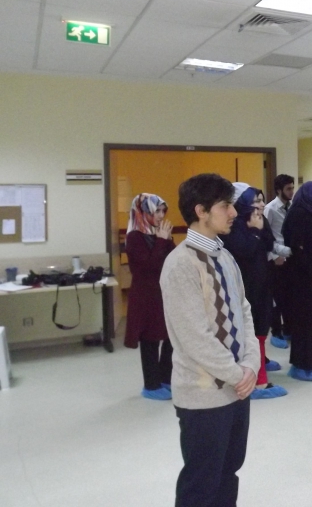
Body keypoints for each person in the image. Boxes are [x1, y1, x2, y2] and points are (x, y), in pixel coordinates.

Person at [160, 173, 260, 507]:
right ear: (201, 211)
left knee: (228, 472)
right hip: (203, 397)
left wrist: (251, 365)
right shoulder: (180, 264)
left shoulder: (224, 257)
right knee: (201, 483)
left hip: (237, 390)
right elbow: (195, 338)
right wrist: (239, 375)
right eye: (225, 205)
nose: (234, 212)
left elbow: (244, 311)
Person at [219, 184, 288, 399]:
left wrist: (260, 227)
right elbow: (245, 250)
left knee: (261, 327)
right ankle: (256, 382)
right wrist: (255, 231)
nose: (261, 204)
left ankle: (260, 367)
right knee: (249, 330)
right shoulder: (233, 226)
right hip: (245, 286)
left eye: (261, 200)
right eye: (256, 201)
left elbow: (269, 244)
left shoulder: (260, 220)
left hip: (262, 281)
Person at [124, 193, 175, 400]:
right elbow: (148, 266)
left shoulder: (160, 234)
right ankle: (151, 386)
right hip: (146, 296)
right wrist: (162, 241)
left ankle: (165, 378)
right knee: (150, 340)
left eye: (163, 211)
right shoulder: (134, 237)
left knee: (171, 336)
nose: (161, 216)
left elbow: (172, 259)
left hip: (164, 293)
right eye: (156, 211)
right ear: (142, 213)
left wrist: (165, 240)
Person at [281, 181, 312, 382]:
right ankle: (300, 365)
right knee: (304, 321)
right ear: (310, 195)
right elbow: (297, 249)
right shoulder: (299, 214)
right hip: (302, 277)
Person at [265, 174, 294, 349]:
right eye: (288, 188)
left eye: (292, 188)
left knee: (290, 297)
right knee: (277, 298)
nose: (291, 191)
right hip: (276, 259)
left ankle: (288, 328)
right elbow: (265, 237)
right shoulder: (270, 209)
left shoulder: (292, 207)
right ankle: (276, 332)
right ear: (279, 190)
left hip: (290, 257)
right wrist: (274, 257)